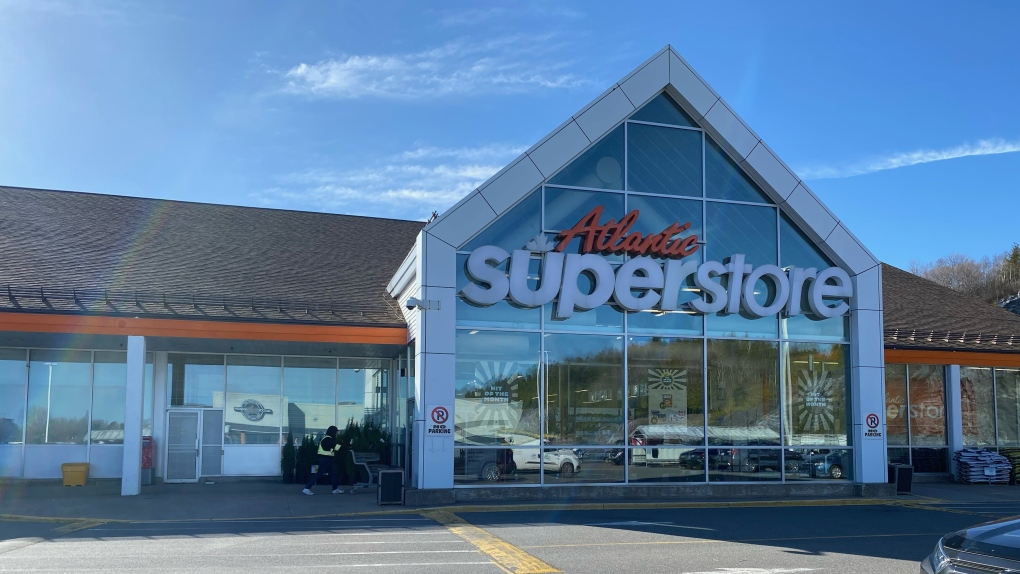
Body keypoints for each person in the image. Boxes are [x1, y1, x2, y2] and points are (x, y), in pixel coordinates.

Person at [302, 426, 344, 495]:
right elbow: (336, 448)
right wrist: (343, 444)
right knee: (320, 473)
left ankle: (335, 489)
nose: (337, 434)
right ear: (333, 432)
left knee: (333, 473)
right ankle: (307, 488)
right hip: (325, 459)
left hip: (326, 459)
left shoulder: (327, 439)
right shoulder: (328, 439)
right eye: (336, 432)